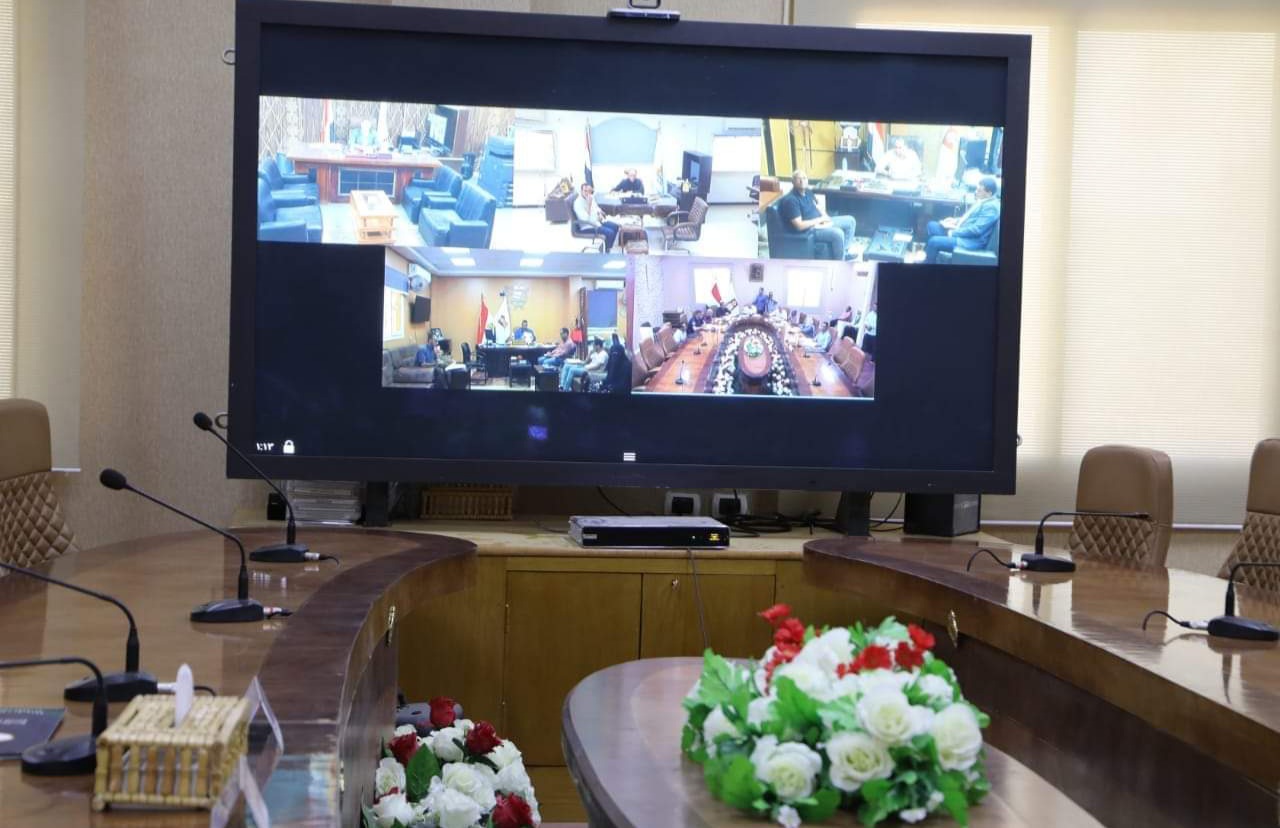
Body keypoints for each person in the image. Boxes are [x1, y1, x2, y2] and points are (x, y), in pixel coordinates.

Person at [777, 171, 857, 260]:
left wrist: (826, 217)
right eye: (798, 179)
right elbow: (799, 226)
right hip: (809, 230)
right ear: (792, 182)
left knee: (851, 221)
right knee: (838, 233)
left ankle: (844, 253)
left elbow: (818, 206)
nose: (802, 181)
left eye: (804, 178)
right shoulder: (791, 200)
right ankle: (840, 262)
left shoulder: (807, 191)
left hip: (821, 222)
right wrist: (820, 220)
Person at [924, 176, 1001, 264]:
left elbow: (976, 230)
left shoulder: (991, 207)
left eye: (979, 190)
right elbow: (971, 218)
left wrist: (953, 232)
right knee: (932, 225)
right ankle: (932, 256)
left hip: (970, 242)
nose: (976, 192)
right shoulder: (985, 201)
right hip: (964, 233)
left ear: (989, 193)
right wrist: (955, 220)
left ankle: (928, 264)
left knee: (933, 242)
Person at [573, 183, 621, 252]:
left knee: (615, 226)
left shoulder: (590, 197)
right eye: (585, 191)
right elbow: (585, 219)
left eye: (589, 191)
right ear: (581, 191)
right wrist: (589, 205)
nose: (587, 193)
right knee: (610, 233)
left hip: (596, 221)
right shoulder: (578, 203)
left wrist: (600, 212)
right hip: (588, 226)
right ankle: (606, 251)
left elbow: (596, 207)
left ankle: (606, 247)